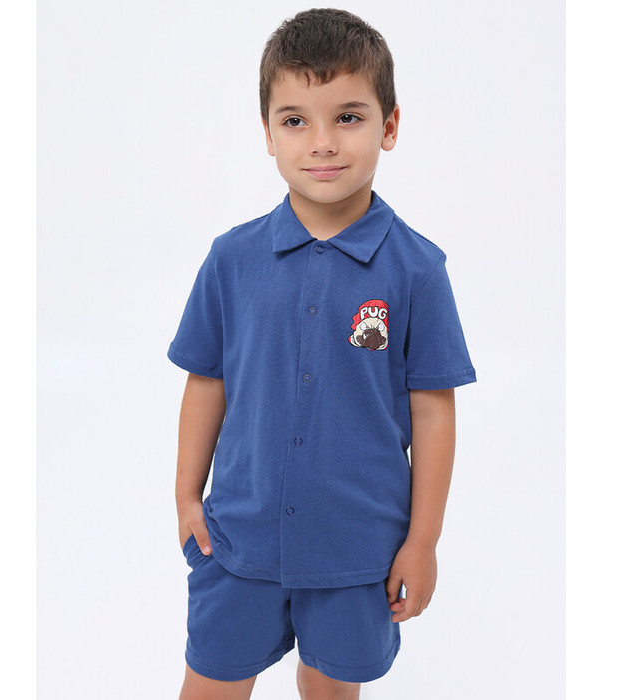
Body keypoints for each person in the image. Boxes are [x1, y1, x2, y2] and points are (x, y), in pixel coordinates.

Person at [167, 8, 477, 700]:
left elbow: (433, 412)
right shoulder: (231, 259)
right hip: (239, 539)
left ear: (389, 126)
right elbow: (206, 381)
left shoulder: (418, 270)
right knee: (210, 685)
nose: (323, 143)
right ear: (268, 133)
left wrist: (422, 541)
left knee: (332, 689)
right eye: (295, 120)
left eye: (349, 117)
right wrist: (186, 495)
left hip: (358, 551)